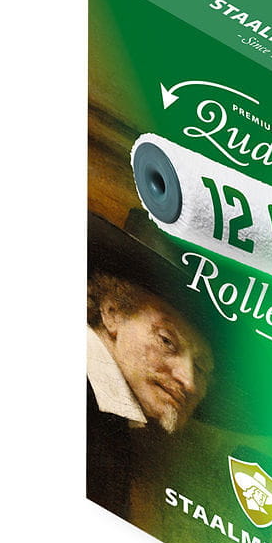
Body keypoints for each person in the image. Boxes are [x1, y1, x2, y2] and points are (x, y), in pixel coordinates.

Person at [88, 211, 215, 519]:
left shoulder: (114, 433)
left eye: (201, 368)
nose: (190, 382)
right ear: (113, 313)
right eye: (167, 341)